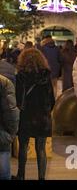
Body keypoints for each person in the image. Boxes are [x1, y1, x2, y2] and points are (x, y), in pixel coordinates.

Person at [15, 49, 55, 180]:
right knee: (41, 149)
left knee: (23, 147)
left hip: (26, 116)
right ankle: (41, 177)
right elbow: (52, 99)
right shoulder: (46, 76)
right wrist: (46, 111)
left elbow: (18, 98)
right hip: (42, 117)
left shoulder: (21, 76)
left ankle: (21, 175)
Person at [0, 74, 20, 180]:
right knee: (3, 174)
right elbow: (11, 112)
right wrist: (11, 134)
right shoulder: (4, 83)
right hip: (2, 137)